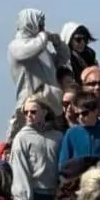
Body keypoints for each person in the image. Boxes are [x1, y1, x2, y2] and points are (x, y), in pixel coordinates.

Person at [6, 9, 69, 138]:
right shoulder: (16, 46)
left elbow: (63, 58)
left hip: (50, 106)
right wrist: (44, 36)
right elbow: (30, 50)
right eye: (40, 25)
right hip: (28, 104)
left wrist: (57, 43)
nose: (43, 29)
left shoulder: (42, 47)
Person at [10, 96, 62, 200]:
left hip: (54, 194)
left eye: (33, 112)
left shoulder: (58, 137)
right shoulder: (21, 138)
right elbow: (20, 171)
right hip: (34, 195)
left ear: (44, 112)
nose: (29, 115)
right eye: (26, 112)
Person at [58, 90, 100, 166]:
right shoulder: (71, 134)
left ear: (95, 111)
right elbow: (63, 164)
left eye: (84, 113)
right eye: (77, 115)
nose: (80, 117)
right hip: (77, 177)